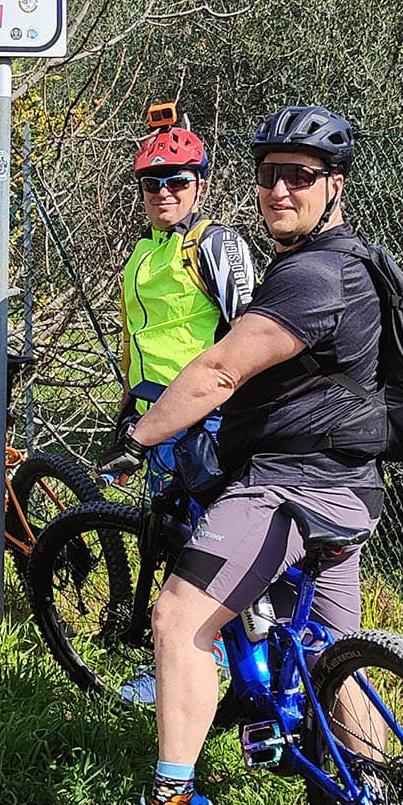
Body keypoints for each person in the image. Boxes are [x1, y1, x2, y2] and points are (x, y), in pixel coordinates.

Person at [96, 104, 388, 805]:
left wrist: (139, 437)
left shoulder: (309, 273)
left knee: (178, 617)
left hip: (285, 484)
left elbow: (221, 368)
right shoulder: (361, 261)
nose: (281, 190)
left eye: (301, 177)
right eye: (270, 176)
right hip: (353, 488)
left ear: (336, 187)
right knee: (332, 652)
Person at [108, 112, 256, 708]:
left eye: (178, 180)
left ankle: (211, 662)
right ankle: (186, 659)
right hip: (155, 418)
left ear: (200, 183)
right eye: (152, 182)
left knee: (207, 544)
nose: (164, 192)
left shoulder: (214, 244)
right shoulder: (143, 254)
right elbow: (133, 339)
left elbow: (248, 329)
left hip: (207, 419)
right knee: (173, 536)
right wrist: (127, 414)